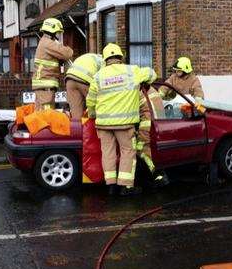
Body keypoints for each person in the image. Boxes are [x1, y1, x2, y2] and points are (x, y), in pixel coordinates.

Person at [86, 43, 157, 196]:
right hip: (124, 124)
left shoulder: (98, 76)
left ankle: (110, 185)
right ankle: (126, 187)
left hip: (103, 124)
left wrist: (92, 115)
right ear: (120, 57)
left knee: (108, 153)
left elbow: (90, 101)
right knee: (127, 152)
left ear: (105, 59)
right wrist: (146, 82)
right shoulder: (132, 71)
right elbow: (152, 74)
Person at [32, 18, 73, 110]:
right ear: (52, 31)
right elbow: (67, 53)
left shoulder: (44, 42)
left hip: (43, 86)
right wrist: (66, 48)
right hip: (46, 87)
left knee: (40, 115)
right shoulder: (48, 43)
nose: (58, 35)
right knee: (47, 115)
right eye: (57, 32)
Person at [137, 86, 170, 187]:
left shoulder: (138, 92)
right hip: (158, 125)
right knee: (151, 150)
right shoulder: (152, 90)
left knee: (141, 150)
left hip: (146, 125)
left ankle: (158, 174)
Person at [65, 53, 103, 119]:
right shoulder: (104, 62)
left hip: (70, 79)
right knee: (96, 107)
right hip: (85, 80)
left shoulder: (89, 56)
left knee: (76, 116)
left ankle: (77, 128)